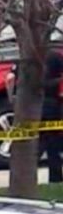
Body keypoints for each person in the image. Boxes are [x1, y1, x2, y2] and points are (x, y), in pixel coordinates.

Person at [44, 52, 63, 183]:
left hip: (46, 106)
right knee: (53, 145)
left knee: (52, 146)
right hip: (53, 107)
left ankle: (55, 178)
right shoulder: (53, 56)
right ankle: (55, 178)